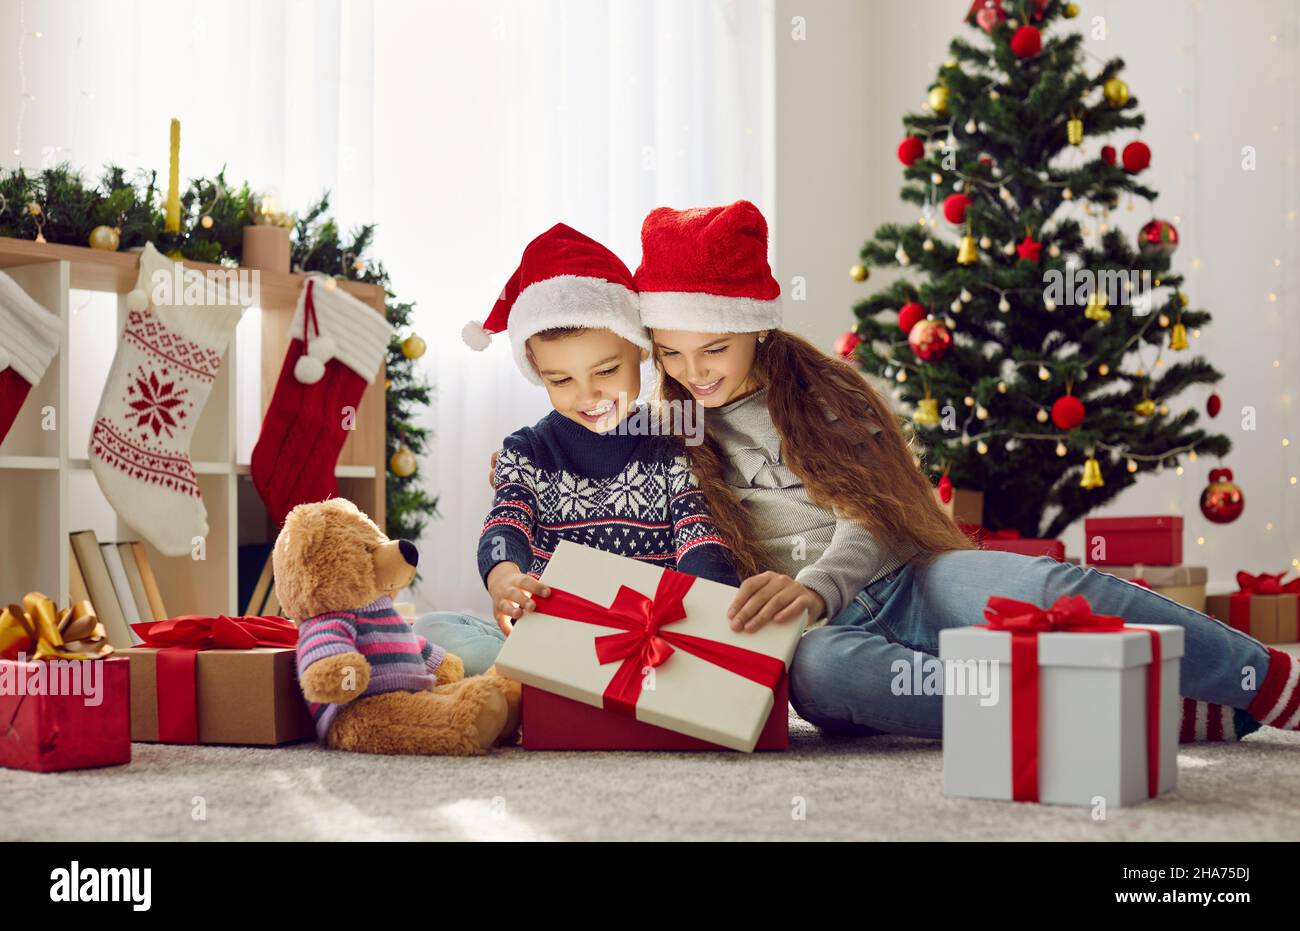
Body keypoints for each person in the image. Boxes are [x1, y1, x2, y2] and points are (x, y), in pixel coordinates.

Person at [634, 199, 1297, 743]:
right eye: (670, 354)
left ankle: (1265, 679)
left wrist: (816, 585)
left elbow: (875, 513)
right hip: (819, 636)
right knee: (821, 671)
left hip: (908, 577)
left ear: (757, 327)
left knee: (1045, 585)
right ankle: (1125, 716)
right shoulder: (666, 435)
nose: (693, 373)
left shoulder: (820, 391)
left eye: (714, 348)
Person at [412, 223, 738, 674]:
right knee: (432, 632)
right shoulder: (526, 451)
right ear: (536, 372)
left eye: (606, 371)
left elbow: (699, 535)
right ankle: (553, 681)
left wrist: (710, 617)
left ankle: (548, 688)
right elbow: (507, 522)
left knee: (714, 641)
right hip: (554, 634)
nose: (588, 396)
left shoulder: (672, 443)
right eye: (560, 380)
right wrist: (504, 575)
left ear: (640, 351)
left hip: (653, 638)